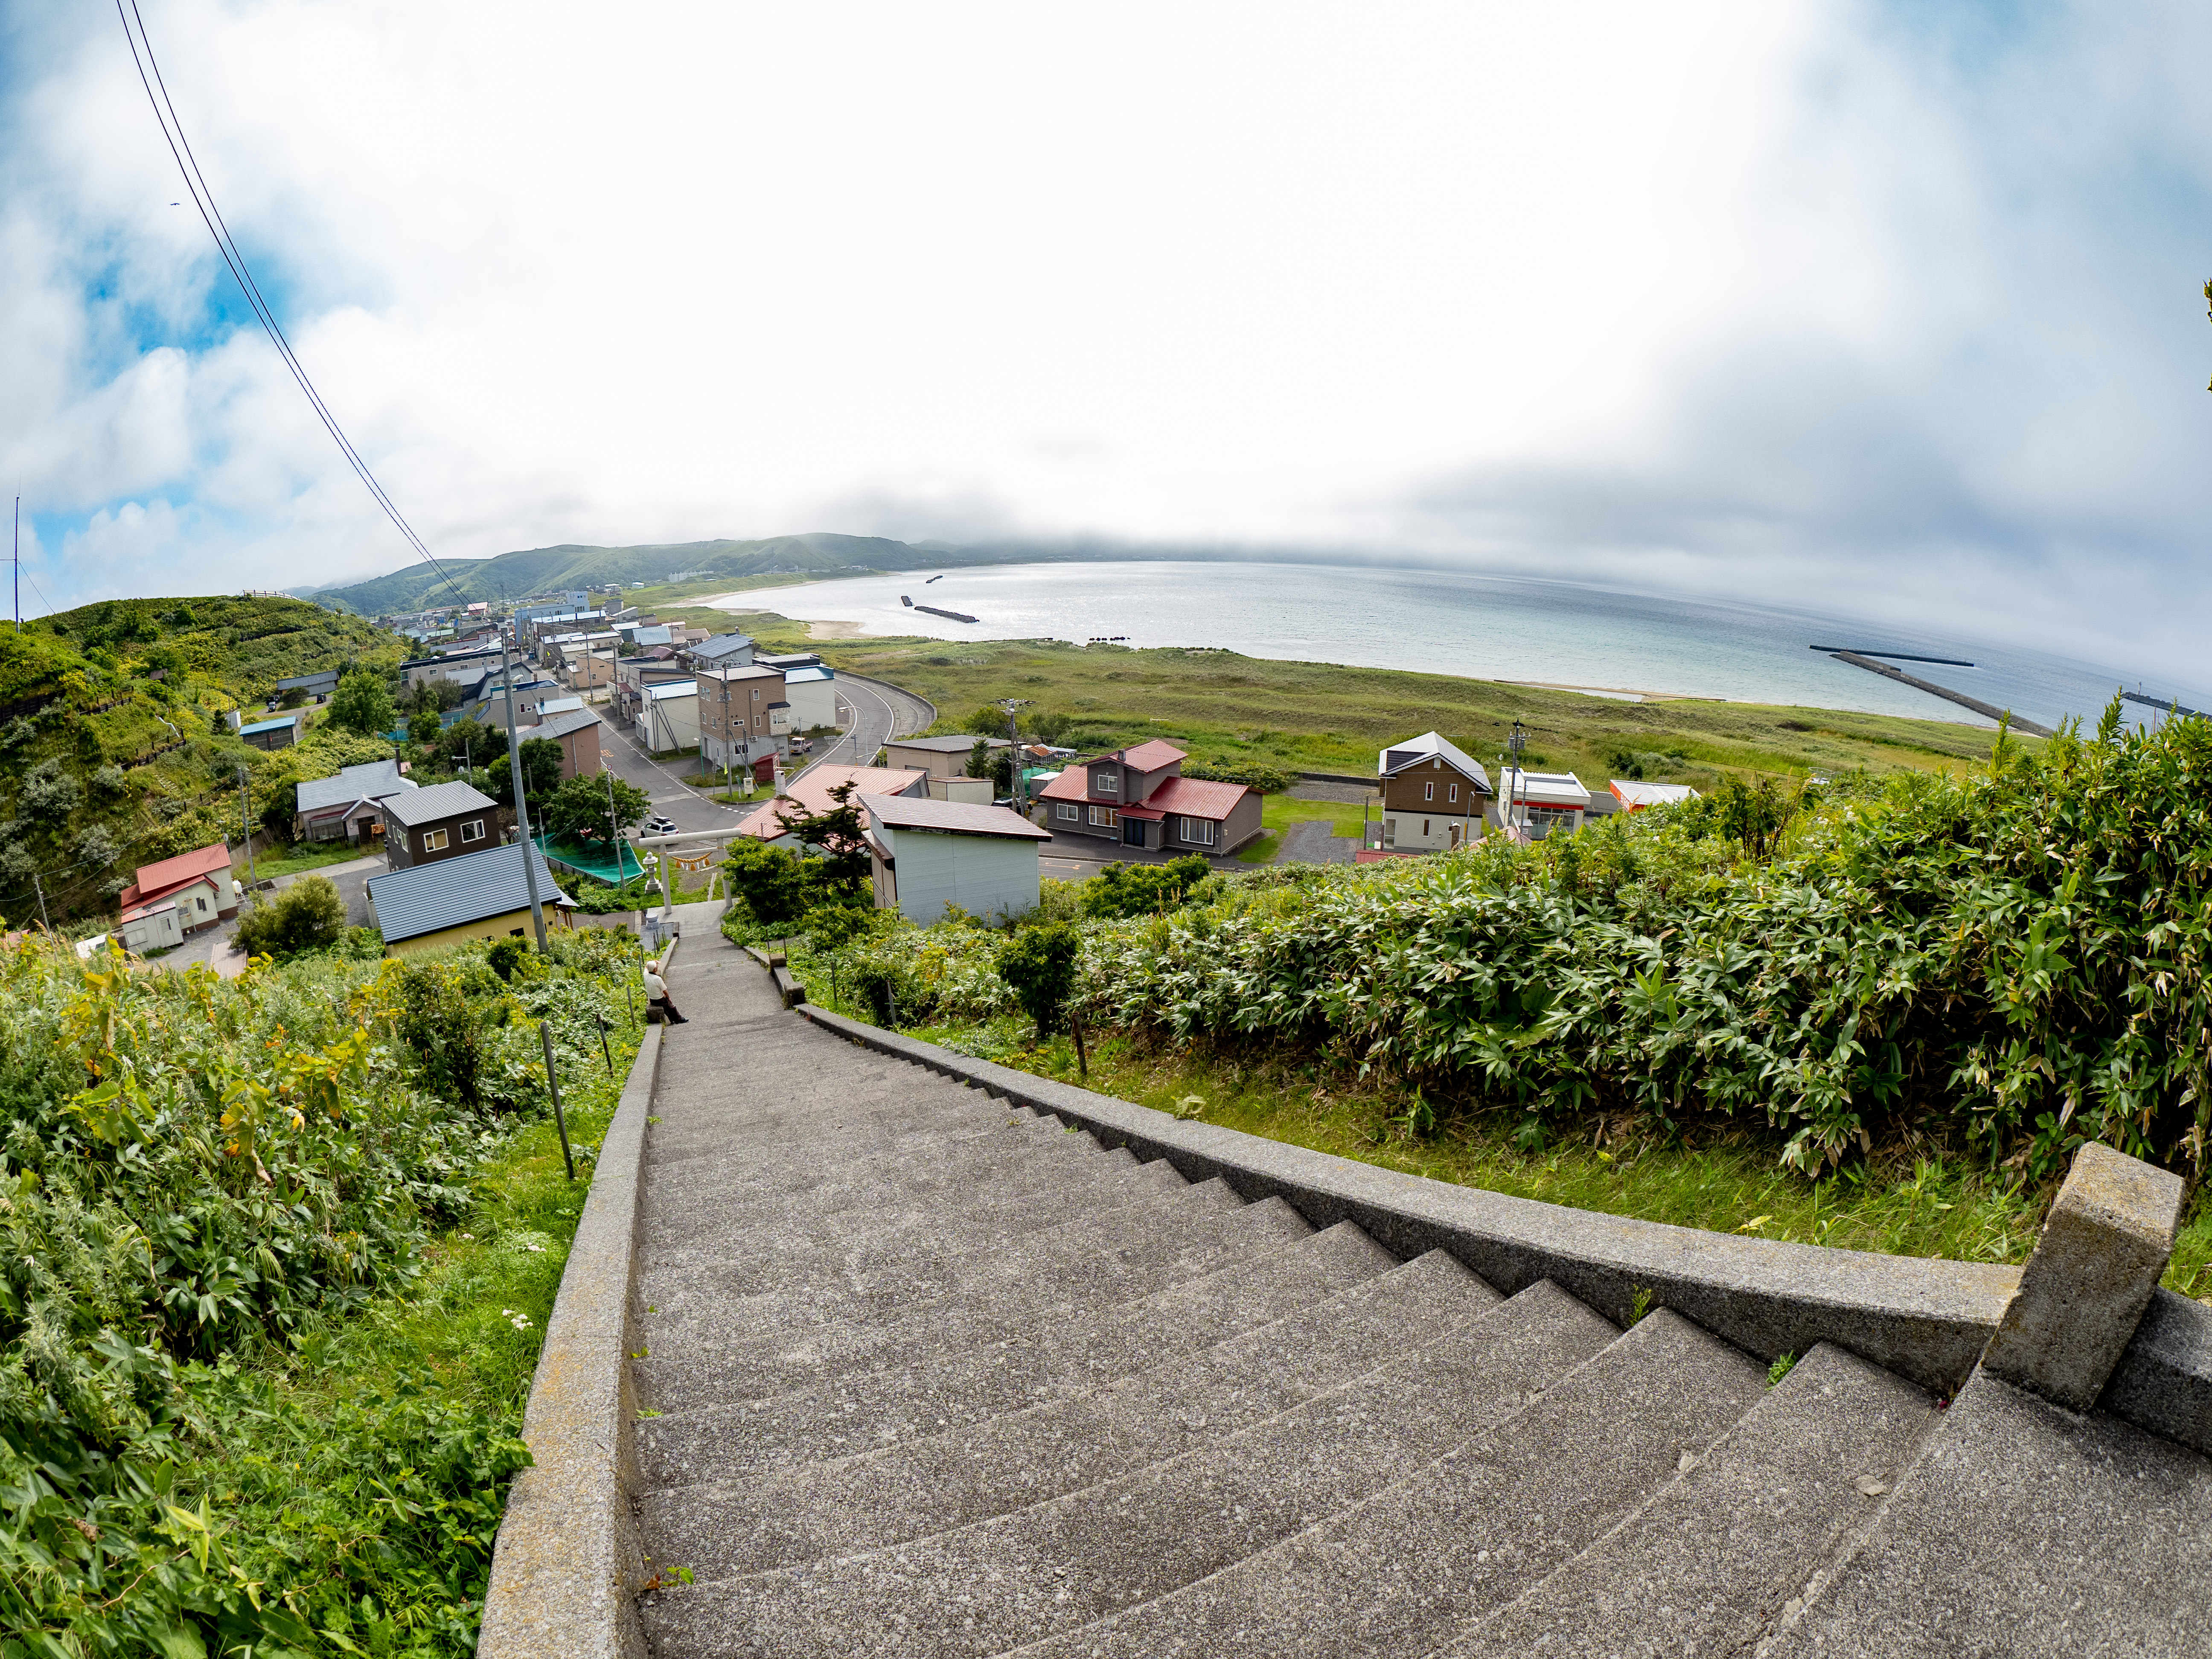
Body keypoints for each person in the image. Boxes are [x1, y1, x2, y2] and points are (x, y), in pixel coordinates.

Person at [643, 958, 687, 1024]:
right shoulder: (658, 979)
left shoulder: (646, 975)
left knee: (666, 1008)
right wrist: (669, 998)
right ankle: (679, 1019)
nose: (657, 967)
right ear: (655, 969)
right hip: (659, 999)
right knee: (671, 1007)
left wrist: (653, 962)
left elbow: (646, 968)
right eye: (657, 966)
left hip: (652, 1000)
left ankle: (672, 1019)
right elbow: (665, 991)